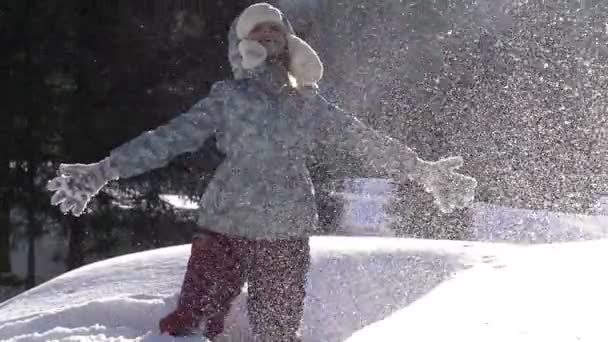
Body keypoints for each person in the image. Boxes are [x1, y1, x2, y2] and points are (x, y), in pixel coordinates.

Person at [46, 3, 477, 341]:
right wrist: (104, 170)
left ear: (288, 44)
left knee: (278, 333)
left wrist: (422, 171)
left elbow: (362, 139)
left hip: (286, 232)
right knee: (190, 324)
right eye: (258, 29)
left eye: (276, 29)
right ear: (242, 44)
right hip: (224, 228)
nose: (268, 34)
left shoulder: (306, 102)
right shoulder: (228, 96)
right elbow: (169, 138)